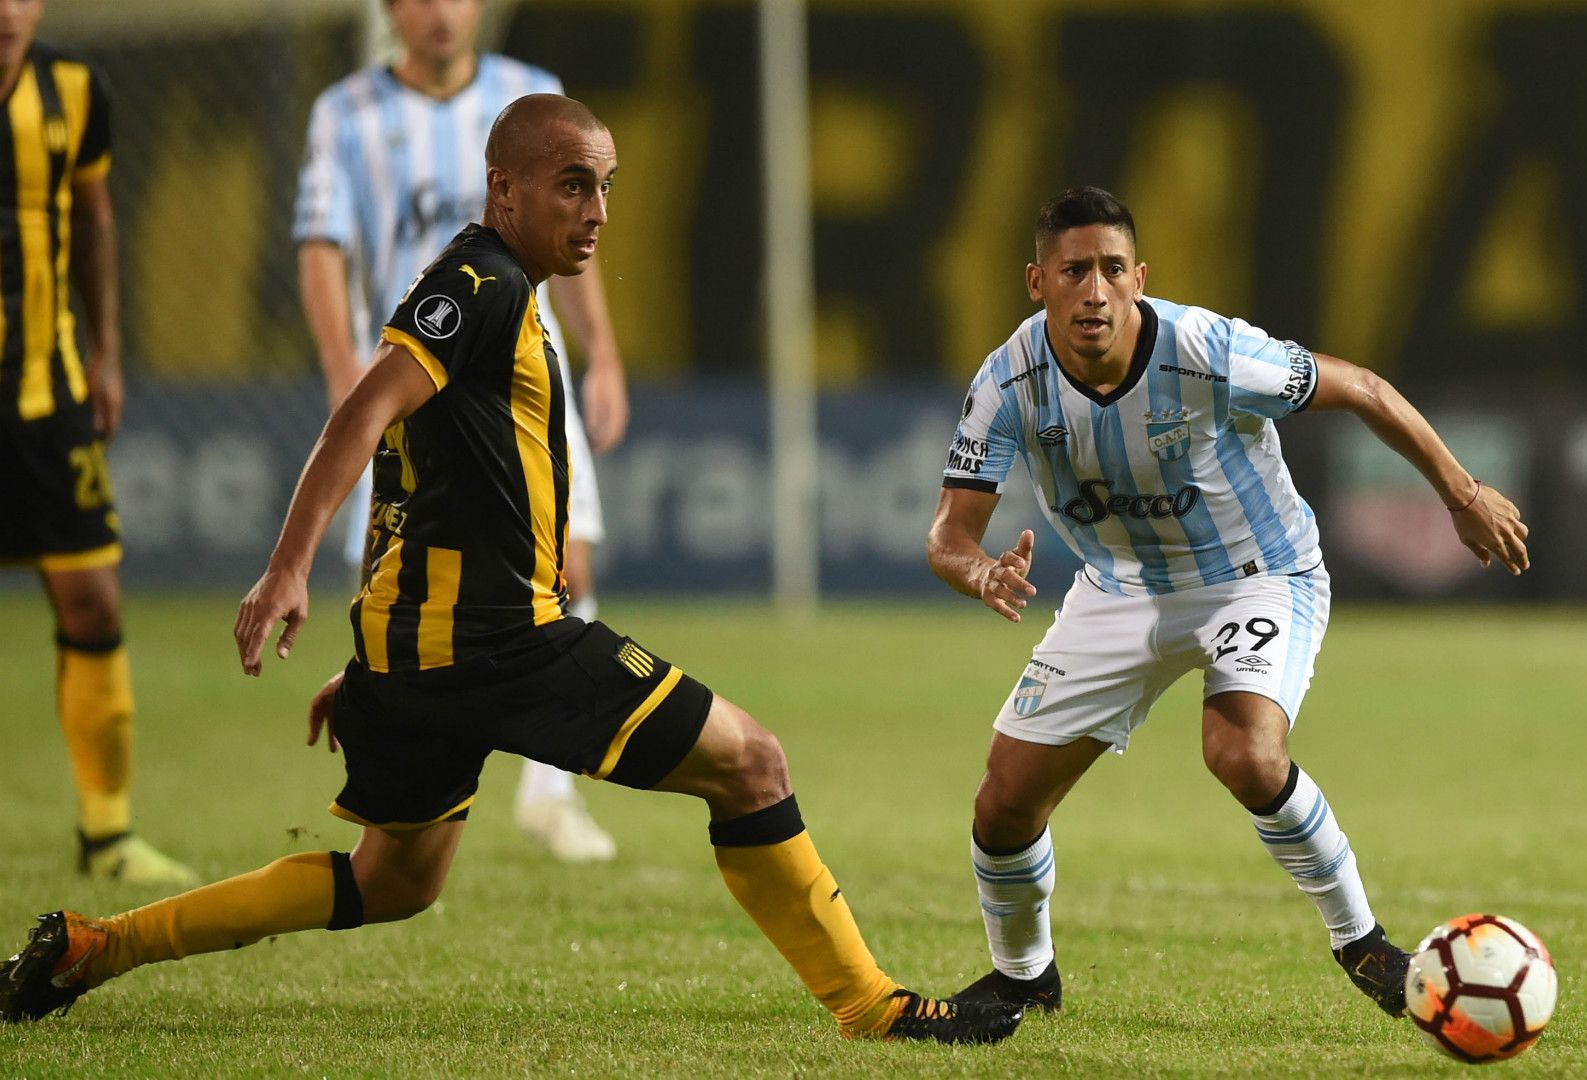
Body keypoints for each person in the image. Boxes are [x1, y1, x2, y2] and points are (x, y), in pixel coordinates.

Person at [0, 94, 1022, 1045]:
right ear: (506, 189)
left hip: (427, 658)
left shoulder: (506, 292)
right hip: (504, 645)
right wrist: (285, 571)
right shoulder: (479, 283)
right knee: (752, 763)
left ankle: (100, 946)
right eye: (573, 183)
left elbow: (412, 477)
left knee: (394, 882)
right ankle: (872, 1006)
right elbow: (361, 413)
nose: (599, 211)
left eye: (608, 185)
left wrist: (379, 656)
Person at [927, 187, 1531, 1017]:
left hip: (1257, 573)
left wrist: (1461, 494)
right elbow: (948, 534)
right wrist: (979, 573)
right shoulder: (1008, 382)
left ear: (1139, 276)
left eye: (1111, 269)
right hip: (1121, 589)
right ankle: (1023, 978)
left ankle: (1362, 943)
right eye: (1074, 271)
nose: (1094, 290)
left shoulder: (1205, 350)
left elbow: (1363, 388)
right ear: (1038, 282)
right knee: (1002, 803)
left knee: (1243, 754)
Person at [294, 0, 626, 862]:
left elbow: (574, 236)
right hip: (412, 377)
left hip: (519, 376)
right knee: (400, 563)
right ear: (390, 11)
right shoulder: (346, 113)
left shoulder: (532, 95)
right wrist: (342, 368)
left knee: (570, 558)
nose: (441, 12)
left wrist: (606, 354)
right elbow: (322, 244)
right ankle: (406, 768)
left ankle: (549, 794)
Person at [0, 0, 195, 887]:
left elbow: (95, 215)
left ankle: (108, 834)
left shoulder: (75, 89)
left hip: (47, 399)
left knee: (94, 605)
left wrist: (108, 353)